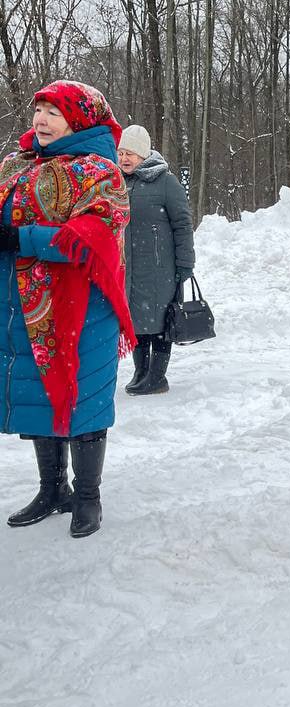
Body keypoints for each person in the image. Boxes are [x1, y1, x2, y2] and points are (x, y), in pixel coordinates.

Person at [0, 81, 135, 537]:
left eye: (53, 112)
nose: (41, 119)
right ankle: (52, 488)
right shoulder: (15, 164)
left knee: (84, 404)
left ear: (79, 119)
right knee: (40, 397)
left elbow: (94, 234)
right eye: (38, 109)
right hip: (23, 309)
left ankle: (88, 496)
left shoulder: (101, 170)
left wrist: (23, 239)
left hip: (83, 309)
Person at [117, 125, 195, 395]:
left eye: (131, 154)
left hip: (162, 268)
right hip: (131, 269)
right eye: (121, 153)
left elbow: (183, 224)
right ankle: (141, 371)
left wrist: (186, 263)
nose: (125, 159)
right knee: (137, 320)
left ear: (144, 155)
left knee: (161, 321)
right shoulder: (118, 183)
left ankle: (157, 377)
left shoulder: (166, 182)